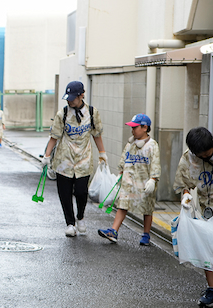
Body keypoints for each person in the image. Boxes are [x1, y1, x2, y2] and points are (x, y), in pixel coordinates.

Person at [42, 81, 106, 237]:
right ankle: (70, 223)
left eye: (73, 98)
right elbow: (54, 136)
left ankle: (80, 217)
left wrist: (102, 153)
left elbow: (96, 134)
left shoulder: (92, 112)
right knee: (64, 194)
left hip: (83, 160)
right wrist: (47, 156)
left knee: (81, 192)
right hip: (64, 160)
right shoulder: (62, 114)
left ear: (81, 95)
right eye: (68, 98)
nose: (69, 101)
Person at [98, 114, 160, 245]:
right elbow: (123, 160)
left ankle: (146, 234)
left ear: (145, 127)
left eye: (135, 127)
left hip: (144, 183)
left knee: (147, 208)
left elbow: (155, 163)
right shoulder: (130, 144)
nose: (132, 130)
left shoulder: (152, 145)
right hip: (128, 182)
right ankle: (113, 231)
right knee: (122, 205)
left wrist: (153, 179)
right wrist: (120, 173)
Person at [173, 127, 213, 307]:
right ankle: (212, 290)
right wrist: (186, 195)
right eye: (201, 155)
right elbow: (184, 184)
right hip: (207, 209)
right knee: (207, 248)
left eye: (208, 154)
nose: (205, 157)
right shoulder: (189, 158)